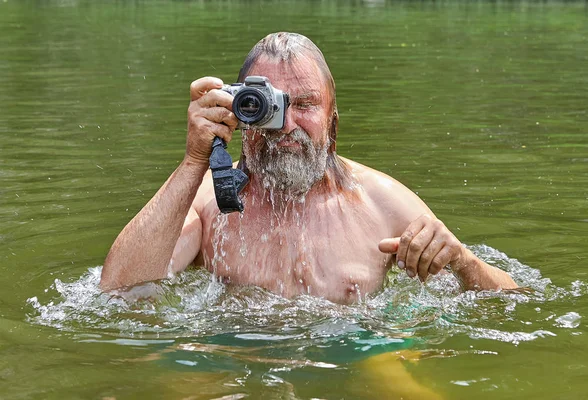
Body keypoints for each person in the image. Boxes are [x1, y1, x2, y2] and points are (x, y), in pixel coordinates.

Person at [100, 32, 517, 303]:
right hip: (235, 359)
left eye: (304, 104)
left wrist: (463, 261)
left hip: (354, 355)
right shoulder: (211, 203)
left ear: (333, 119)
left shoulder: (381, 204)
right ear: (240, 110)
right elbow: (117, 292)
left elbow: (513, 302)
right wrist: (195, 159)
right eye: (269, 106)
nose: (286, 125)